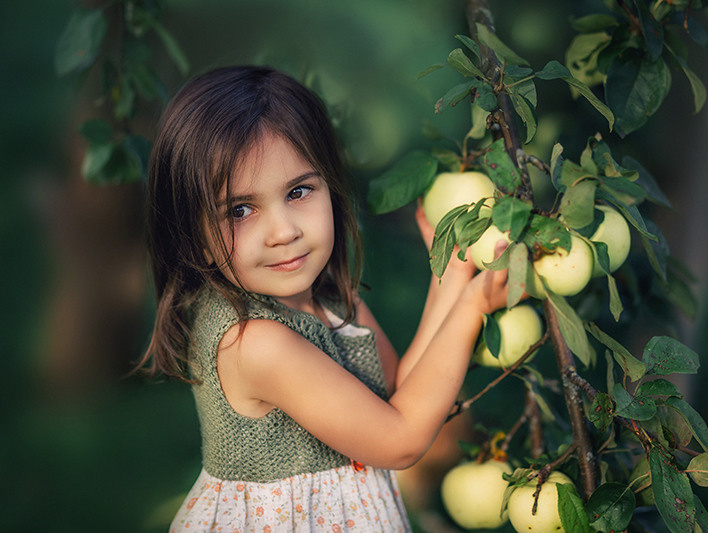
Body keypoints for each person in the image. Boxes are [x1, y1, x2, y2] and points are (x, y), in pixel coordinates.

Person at [136, 65, 510, 532]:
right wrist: (472, 311)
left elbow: (396, 398)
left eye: (298, 191)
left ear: (329, 188)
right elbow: (401, 441)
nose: (284, 231)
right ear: (195, 236)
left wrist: (451, 277)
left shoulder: (330, 297)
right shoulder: (254, 343)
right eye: (240, 210)